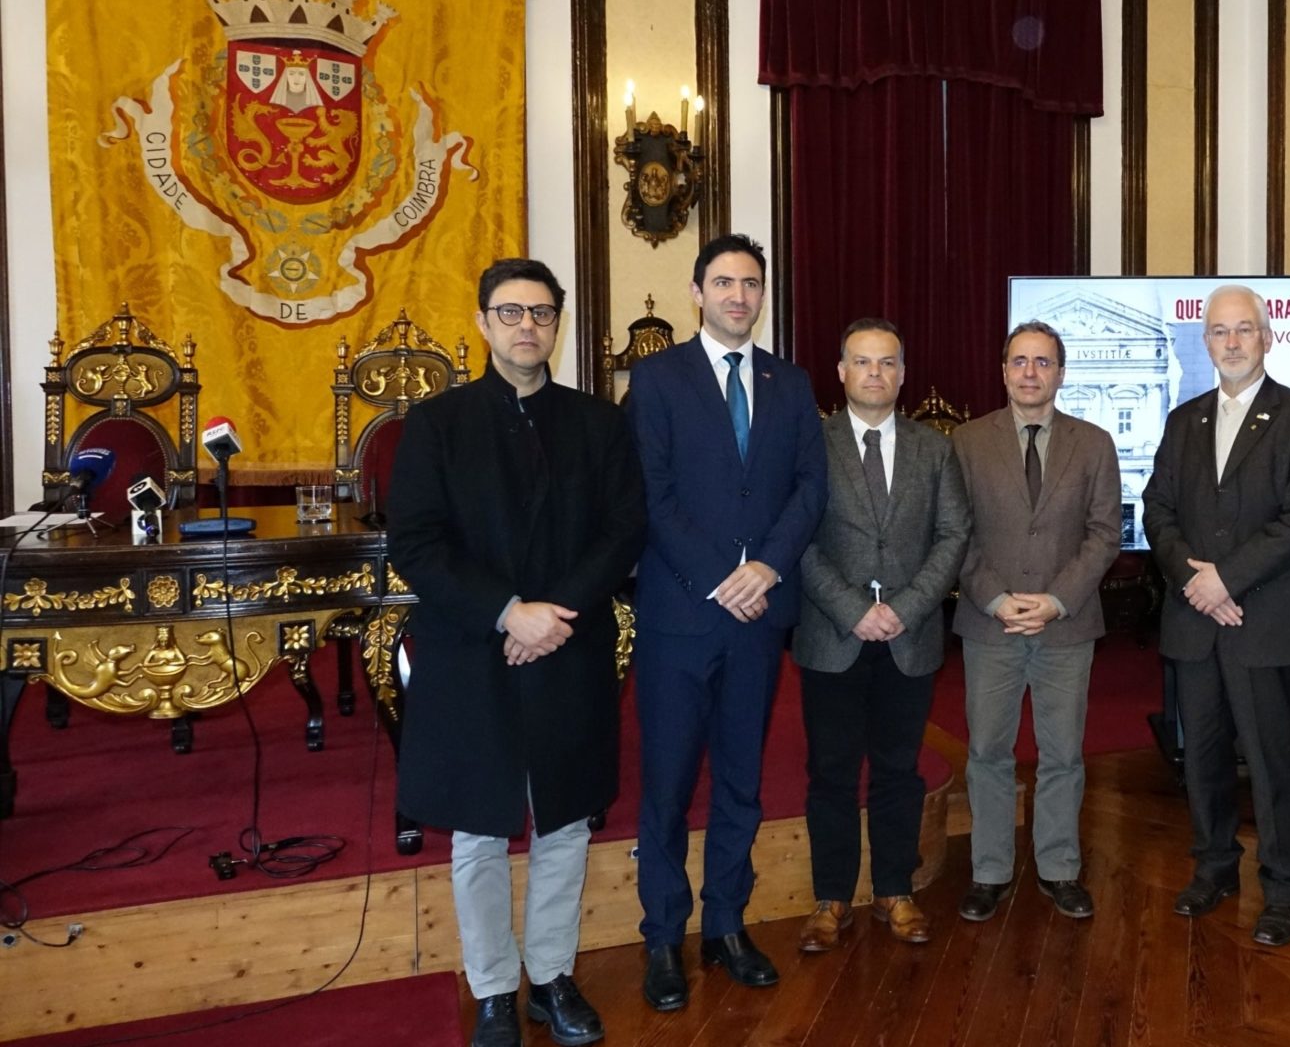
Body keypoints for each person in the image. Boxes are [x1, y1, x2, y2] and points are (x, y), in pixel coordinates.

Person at [387, 257, 645, 1047]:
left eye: (540, 312)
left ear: (557, 325)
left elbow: (624, 531)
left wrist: (551, 616)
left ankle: (552, 977)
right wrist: (508, 613)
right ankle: (495, 987)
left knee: (564, 822)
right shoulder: (437, 424)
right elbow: (417, 545)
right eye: (510, 311)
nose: (526, 325)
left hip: (568, 645)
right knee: (480, 829)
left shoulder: (599, 424)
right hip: (474, 649)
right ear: (483, 322)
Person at [624, 233, 827, 1010]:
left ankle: (727, 925)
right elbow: (653, 491)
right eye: (723, 282)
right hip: (682, 614)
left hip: (758, 618)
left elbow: (810, 487)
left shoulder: (790, 381)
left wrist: (767, 569)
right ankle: (662, 937)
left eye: (750, 283)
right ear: (696, 291)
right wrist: (720, 577)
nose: (738, 295)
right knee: (669, 787)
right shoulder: (657, 379)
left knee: (742, 781)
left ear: (762, 293)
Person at [1141, 284, 1290, 948]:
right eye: (1218, 331)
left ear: (1267, 335)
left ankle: (1282, 887)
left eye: (1242, 329)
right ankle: (1215, 868)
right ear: (1205, 342)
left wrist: (1225, 579)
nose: (1230, 342)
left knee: (1274, 763)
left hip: (1265, 623)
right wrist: (1195, 582)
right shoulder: (1183, 420)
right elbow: (1157, 509)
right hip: (1195, 623)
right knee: (1203, 760)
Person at [792, 318, 972, 953]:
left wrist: (906, 607)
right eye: (862, 363)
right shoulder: (810, 443)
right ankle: (831, 899)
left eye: (887, 362)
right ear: (840, 372)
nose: (876, 373)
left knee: (899, 770)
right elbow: (799, 542)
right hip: (831, 637)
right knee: (831, 773)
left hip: (909, 636)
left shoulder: (934, 448)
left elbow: (953, 536)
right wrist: (852, 610)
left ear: (903, 372)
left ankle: (896, 891)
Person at [950, 321, 1121, 923]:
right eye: (1019, 362)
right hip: (989, 622)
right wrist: (996, 598)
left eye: (1043, 362)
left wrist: (1056, 600)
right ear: (1002, 372)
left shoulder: (1094, 442)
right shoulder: (966, 442)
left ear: (1061, 372)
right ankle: (989, 871)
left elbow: (1105, 534)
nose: (1030, 373)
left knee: (1063, 754)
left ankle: (1059, 868)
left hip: (1066, 626)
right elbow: (956, 533)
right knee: (988, 752)